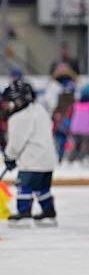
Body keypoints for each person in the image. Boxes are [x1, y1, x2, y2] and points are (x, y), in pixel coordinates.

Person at [1, 80, 58, 227]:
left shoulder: (18, 118)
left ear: (18, 100)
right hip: (48, 161)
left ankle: (24, 213)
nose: (7, 106)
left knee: (24, 186)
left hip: (32, 161)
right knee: (42, 188)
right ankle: (48, 212)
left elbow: (16, 143)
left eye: (9, 102)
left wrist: (9, 157)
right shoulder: (40, 110)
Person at [68, 82, 89, 166]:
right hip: (86, 128)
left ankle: (71, 159)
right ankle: (84, 159)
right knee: (86, 144)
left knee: (77, 144)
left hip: (75, 128)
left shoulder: (78, 102)